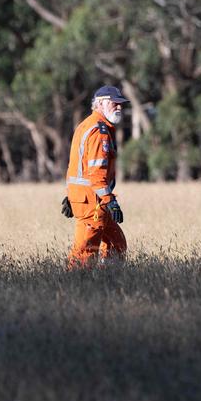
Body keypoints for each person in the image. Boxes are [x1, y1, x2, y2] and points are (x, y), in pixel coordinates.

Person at [61, 85, 129, 268]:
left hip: (89, 198)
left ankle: (108, 280)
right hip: (93, 201)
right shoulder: (99, 131)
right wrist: (111, 201)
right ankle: (74, 286)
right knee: (84, 252)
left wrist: (71, 195)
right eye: (115, 103)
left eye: (121, 104)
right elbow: (96, 173)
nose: (119, 108)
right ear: (100, 103)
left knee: (117, 243)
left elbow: (76, 166)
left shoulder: (85, 125)